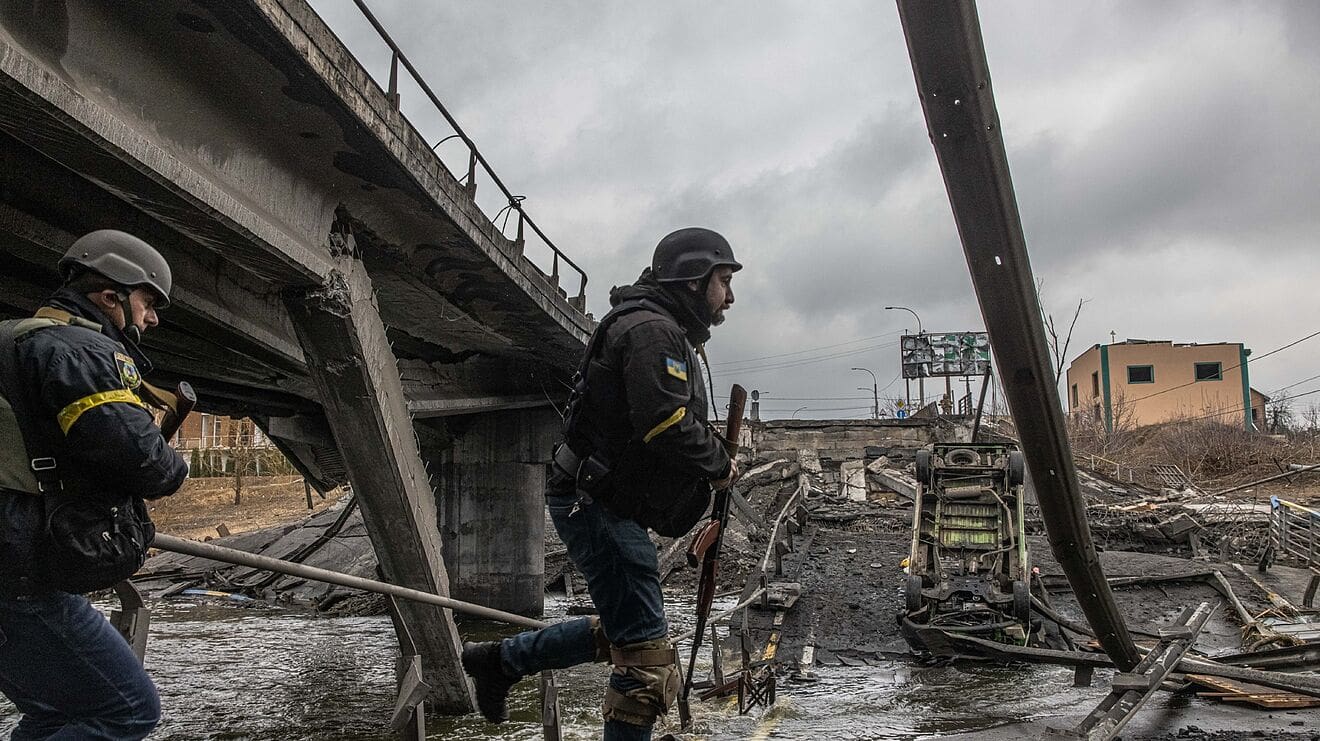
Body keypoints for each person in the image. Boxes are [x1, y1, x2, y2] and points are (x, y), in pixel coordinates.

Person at [462, 227, 742, 740]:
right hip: (594, 505)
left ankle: (498, 661)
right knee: (646, 663)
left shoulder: (658, 328)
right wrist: (719, 464)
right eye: (724, 281)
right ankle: (499, 663)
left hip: (601, 500)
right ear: (693, 279)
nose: (730, 297)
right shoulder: (652, 332)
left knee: (622, 630)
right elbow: (664, 422)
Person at [0, 229, 189, 740]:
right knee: (126, 710)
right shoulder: (79, 351)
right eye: (149, 302)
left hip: (14, 559)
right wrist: (177, 462)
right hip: (21, 570)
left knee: (56, 712)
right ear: (110, 295)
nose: (152, 319)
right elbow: (147, 464)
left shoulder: (12, 339)